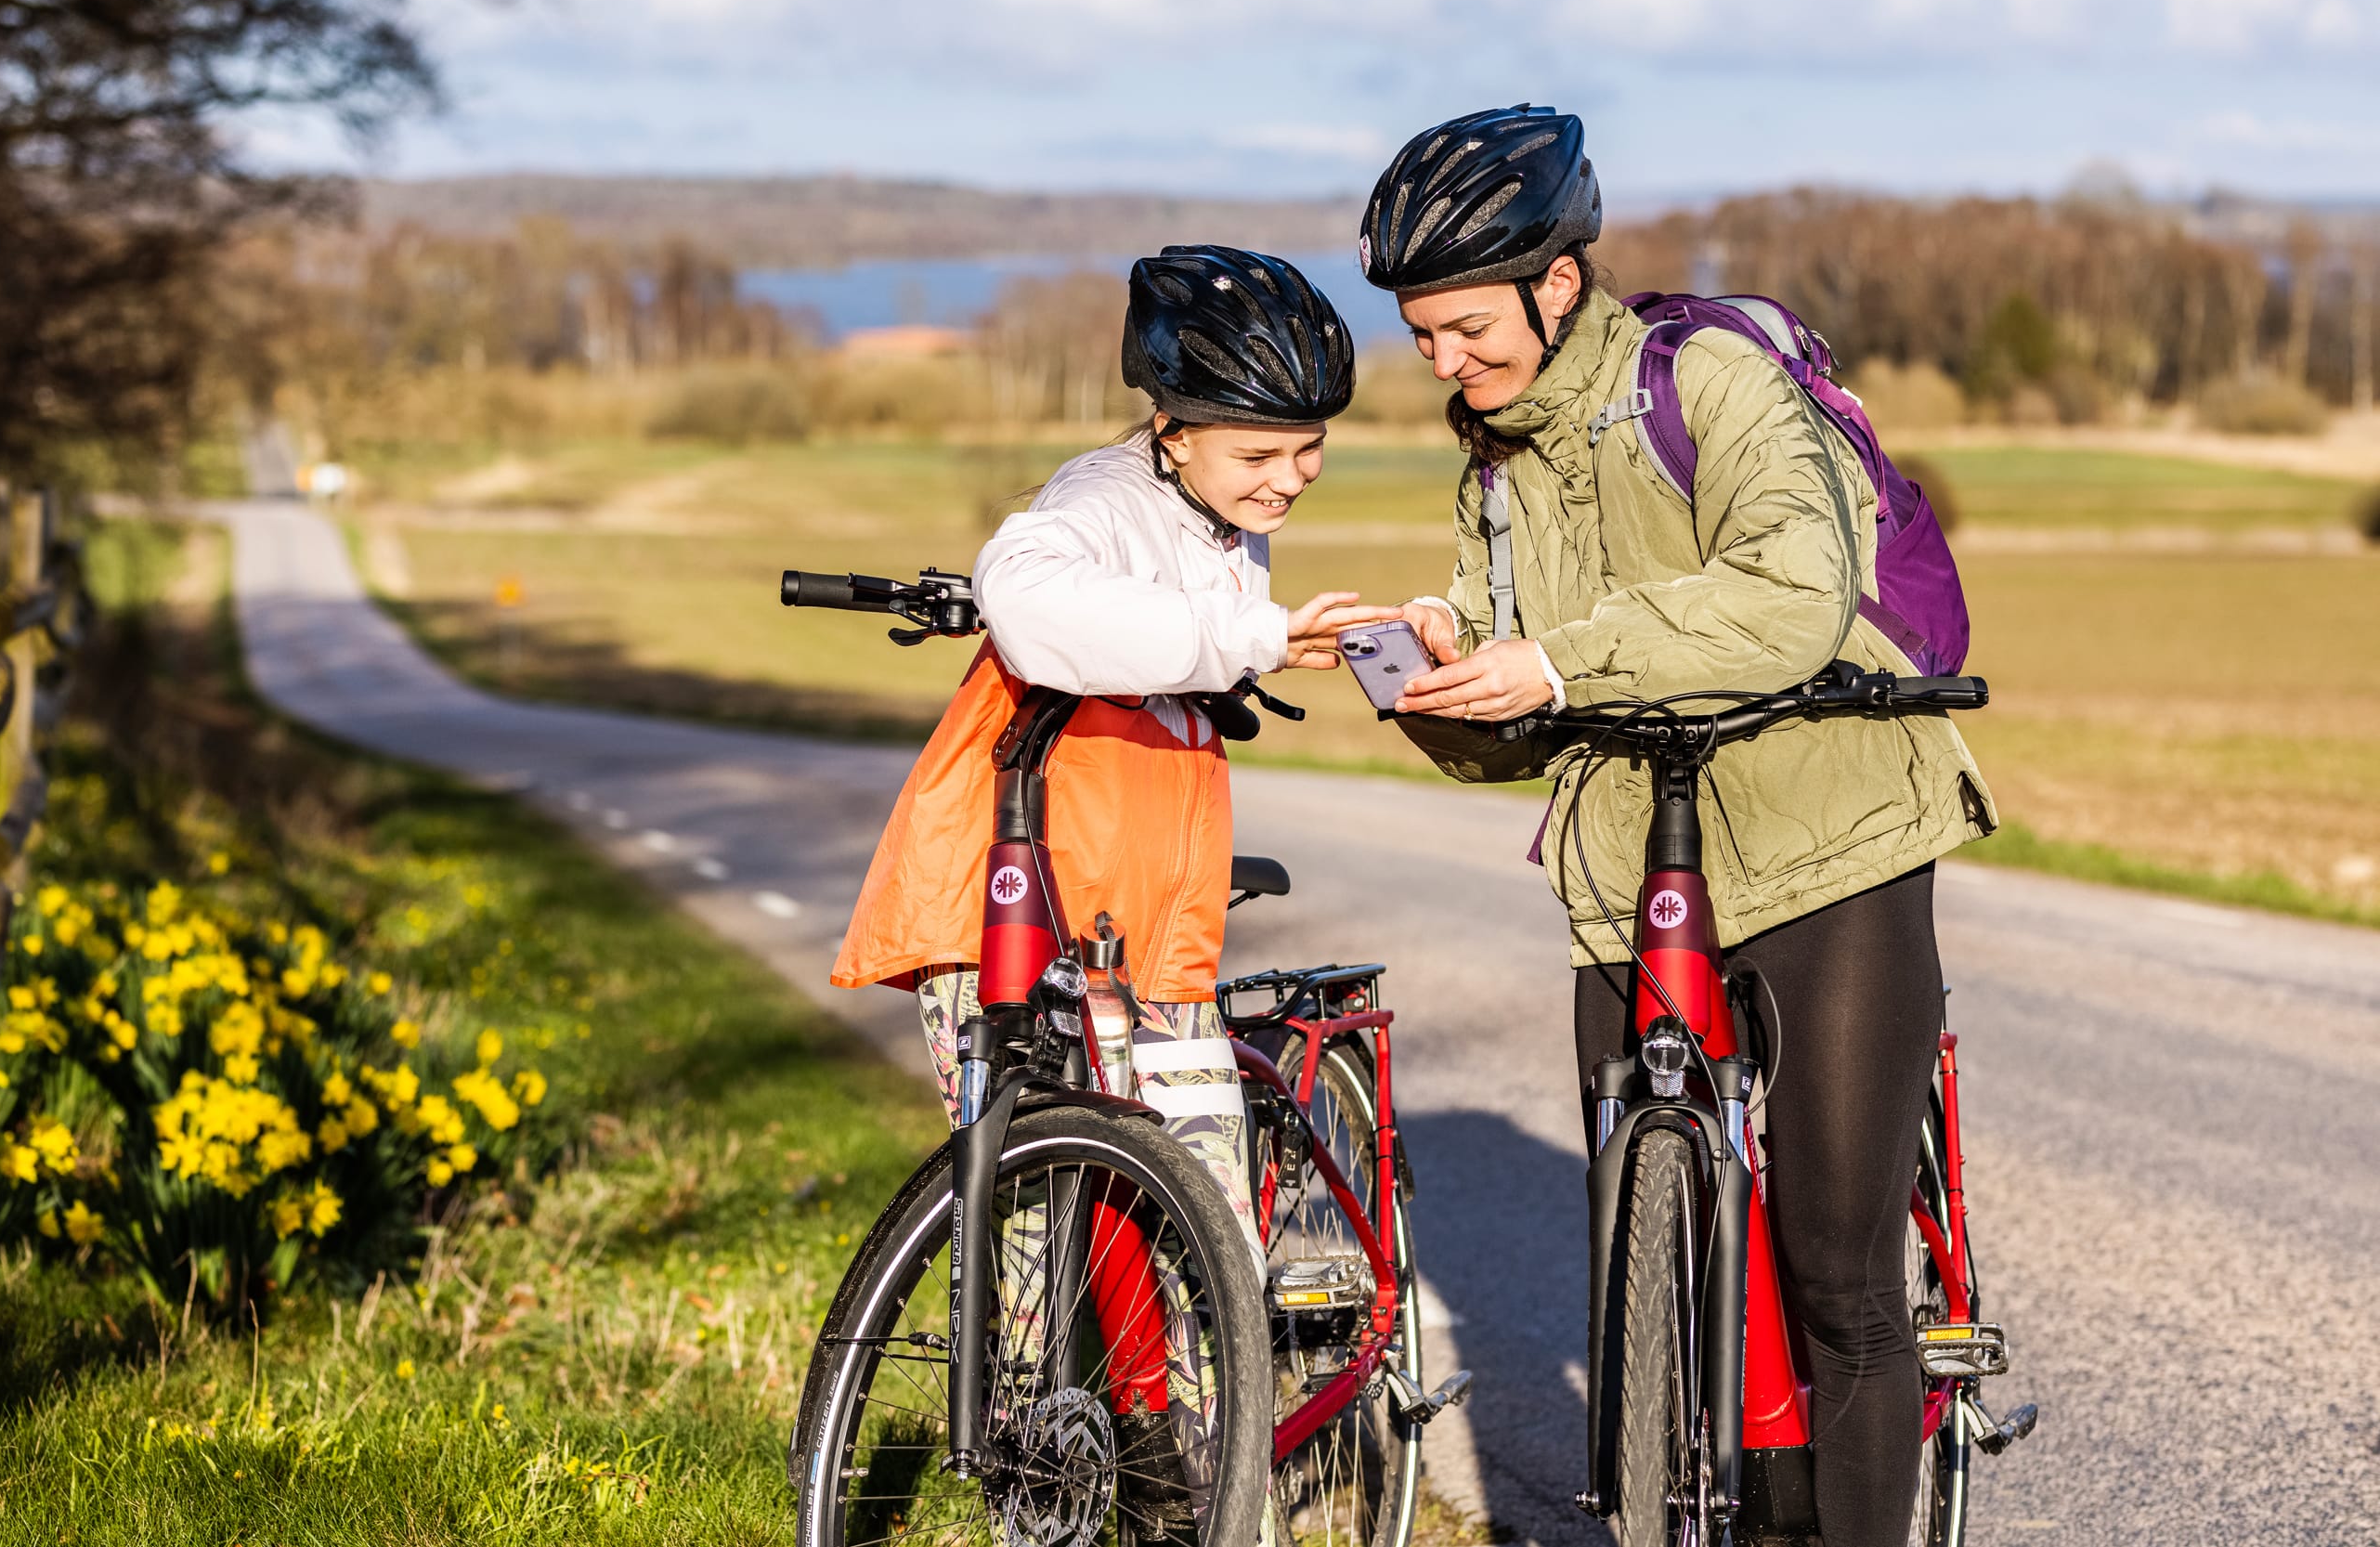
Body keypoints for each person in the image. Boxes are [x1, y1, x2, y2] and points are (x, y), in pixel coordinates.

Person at [1357, 107, 1996, 1547]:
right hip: (1638, 874)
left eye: (1467, 327)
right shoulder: (1496, 471)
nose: (1445, 362)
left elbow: (1790, 594)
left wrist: (1564, 660)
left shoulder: (1705, 380)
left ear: (1558, 283)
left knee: (1836, 1268)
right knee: (1657, 1267)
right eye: (1423, 337)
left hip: (1831, 839)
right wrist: (1450, 689)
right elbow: (1527, 732)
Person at [834, 243, 1362, 1234]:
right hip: (1019, 904)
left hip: (1148, 918)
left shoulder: (1224, 513)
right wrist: (1250, 637)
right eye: (1257, 455)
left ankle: (1208, 1395)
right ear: (1171, 432)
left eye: (1309, 447)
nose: (1289, 480)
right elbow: (1026, 594)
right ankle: (1028, 1396)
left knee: (1200, 1235)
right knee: (1030, 1230)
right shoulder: (1099, 499)